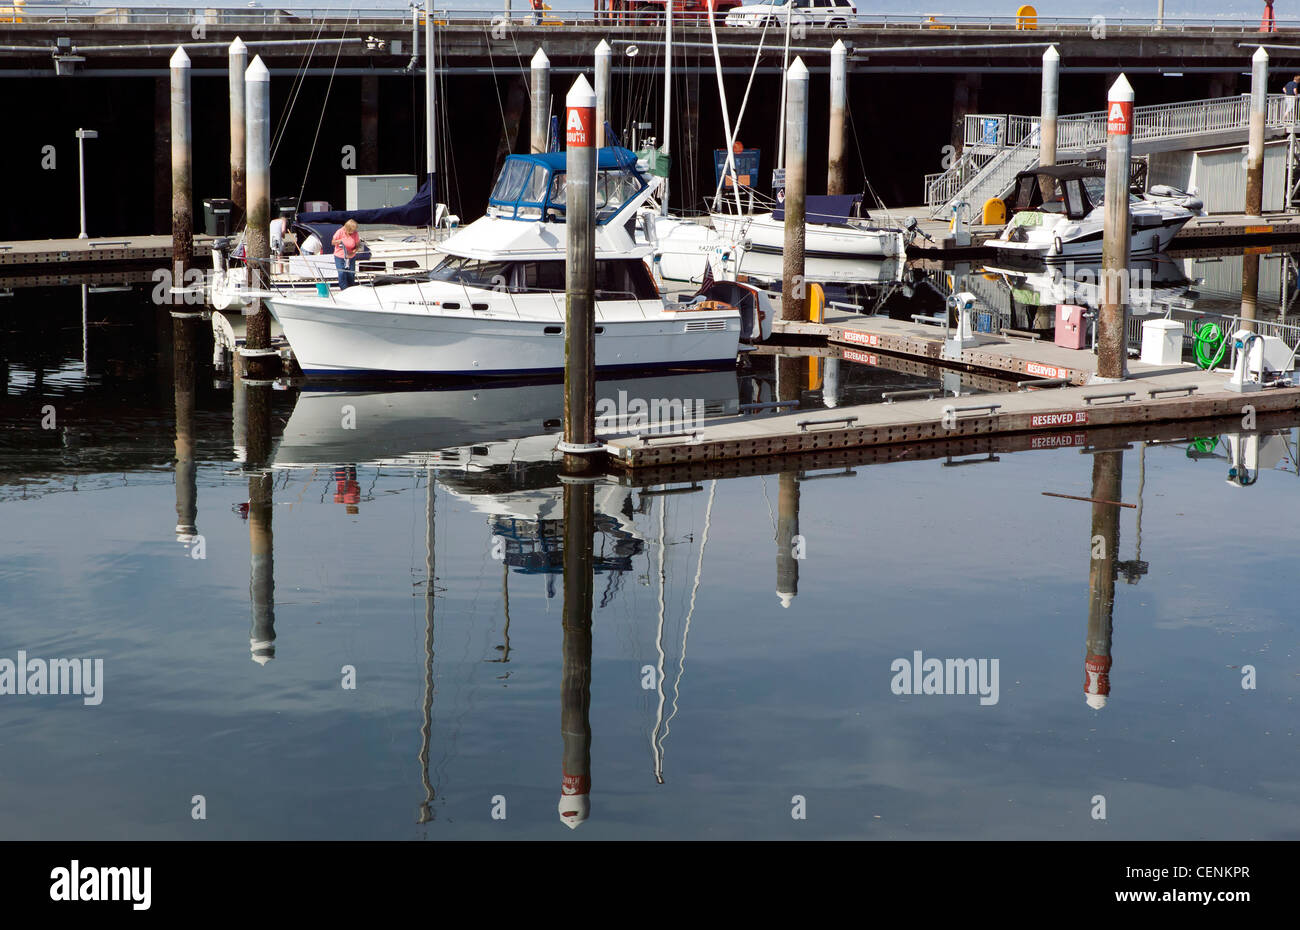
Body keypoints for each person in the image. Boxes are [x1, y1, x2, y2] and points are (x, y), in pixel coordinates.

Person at [332, 219, 360, 289]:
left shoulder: (355, 233)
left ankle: (351, 288)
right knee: (342, 273)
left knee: (351, 274)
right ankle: (343, 289)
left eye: (354, 230)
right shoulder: (339, 232)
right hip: (340, 256)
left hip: (351, 257)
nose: (353, 232)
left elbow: (357, 246)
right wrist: (339, 241)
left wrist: (353, 252)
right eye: (352, 231)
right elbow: (332, 242)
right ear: (347, 228)